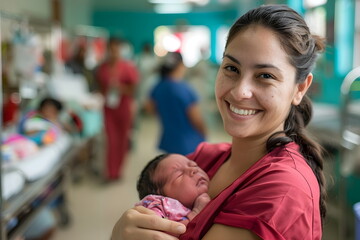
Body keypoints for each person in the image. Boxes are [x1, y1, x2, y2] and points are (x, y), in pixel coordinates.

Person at [112, 4, 327, 240]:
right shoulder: (204, 158)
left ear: (300, 88)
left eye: (265, 76)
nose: (239, 92)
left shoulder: (283, 188)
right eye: (232, 68)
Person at [145, 52, 207, 155]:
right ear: (181, 66)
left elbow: (149, 108)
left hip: (169, 141)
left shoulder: (158, 87)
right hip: (189, 143)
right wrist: (204, 132)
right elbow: (196, 118)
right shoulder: (185, 89)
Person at [95, 36, 139, 181]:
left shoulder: (127, 67)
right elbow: (101, 87)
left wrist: (120, 88)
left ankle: (118, 170)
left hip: (124, 107)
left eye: (116, 49)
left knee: (122, 140)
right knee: (111, 140)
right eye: (111, 49)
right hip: (109, 108)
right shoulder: (103, 67)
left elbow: (133, 88)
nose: (113, 52)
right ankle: (110, 172)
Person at [136, 153, 211, 226]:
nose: (193, 169)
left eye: (194, 165)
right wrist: (196, 213)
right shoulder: (158, 207)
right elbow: (164, 230)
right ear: (160, 196)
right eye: (179, 175)